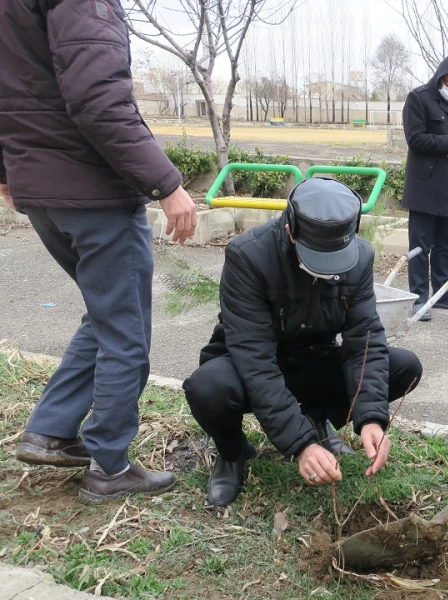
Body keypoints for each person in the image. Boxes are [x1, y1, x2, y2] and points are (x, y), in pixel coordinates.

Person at [1, 0, 197, 502]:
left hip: (40, 186)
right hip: (92, 190)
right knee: (126, 330)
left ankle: (50, 429)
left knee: (106, 314)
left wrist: (8, 174)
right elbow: (99, 101)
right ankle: (110, 466)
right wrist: (167, 184)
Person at [182, 178, 423, 507]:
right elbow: (255, 361)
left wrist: (371, 418)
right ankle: (232, 451)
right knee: (207, 387)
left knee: (404, 366)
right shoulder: (248, 257)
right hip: (250, 367)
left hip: (311, 359)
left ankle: (317, 417)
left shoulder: (360, 258)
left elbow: (364, 341)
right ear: (291, 231)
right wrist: (301, 445)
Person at [401, 55, 448, 321]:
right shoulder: (419, 98)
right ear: (440, 78)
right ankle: (419, 298)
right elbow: (415, 138)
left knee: (446, 244)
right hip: (425, 186)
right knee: (420, 245)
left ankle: (443, 294)